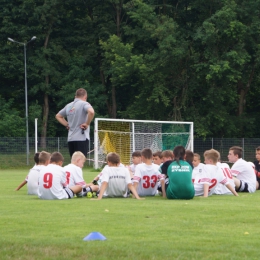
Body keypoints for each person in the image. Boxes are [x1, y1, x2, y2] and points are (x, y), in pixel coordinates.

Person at [55, 88, 95, 157]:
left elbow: (58, 116)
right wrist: (87, 123)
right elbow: (91, 112)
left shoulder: (69, 106)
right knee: (80, 162)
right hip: (81, 138)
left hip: (71, 138)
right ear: (85, 97)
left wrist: (67, 124)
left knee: (74, 162)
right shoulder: (84, 104)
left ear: (75, 96)